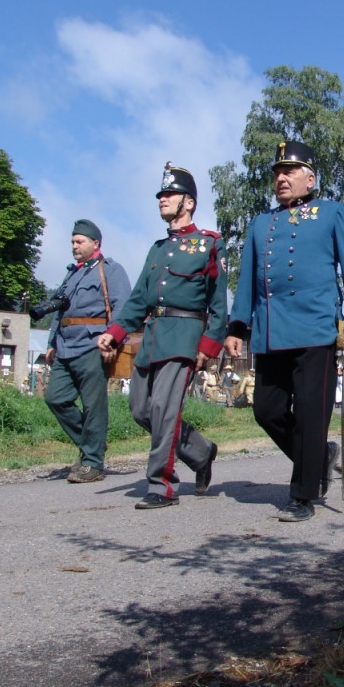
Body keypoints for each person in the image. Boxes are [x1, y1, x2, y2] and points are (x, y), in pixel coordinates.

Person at [224, 141, 344, 523]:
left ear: (310, 178)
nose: (281, 178)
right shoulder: (260, 223)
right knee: (267, 411)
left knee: (310, 415)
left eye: (289, 171)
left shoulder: (332, 213)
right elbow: (246, 283)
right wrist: (238, 325)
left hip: (316, 328)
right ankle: (319, 457)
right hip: (272, 331)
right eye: (277, 172)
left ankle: (302, 493)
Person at [97, 164, 225, 509]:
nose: (161, 200)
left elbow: (218, 302)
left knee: (165, 412)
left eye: (168, 195)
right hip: (152, 337)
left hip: (184, 337)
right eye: (160, 196)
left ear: (189, 203)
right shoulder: (157, 249)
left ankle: (162, 485)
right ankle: (200, 451)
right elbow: (139, 299)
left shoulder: (209, 244)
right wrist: (115, 332)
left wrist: (208, 346)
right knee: (141, 410)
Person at [43, 219, 132, 484]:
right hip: (65, 346)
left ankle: (92, 463)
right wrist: (51, 342)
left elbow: (123, 308)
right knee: (55, 398)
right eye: (72, 241)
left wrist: (113, 341)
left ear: (96, 243)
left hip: (93, 345)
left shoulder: (111, 270)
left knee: (94, 406)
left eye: (80, 241)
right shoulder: (71, 274)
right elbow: (60, 311)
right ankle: (92, 445)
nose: (74, 246)